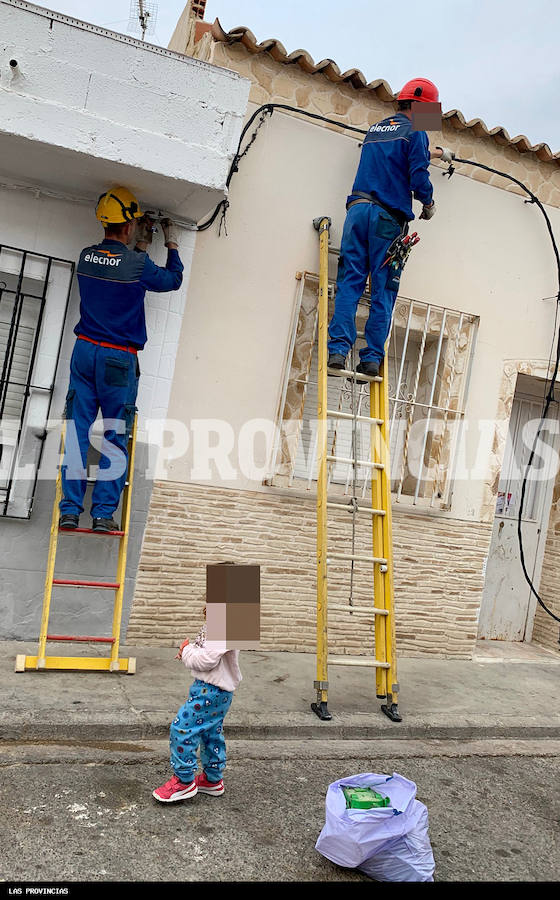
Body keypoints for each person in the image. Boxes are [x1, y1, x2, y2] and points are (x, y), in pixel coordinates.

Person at [58, 186, 184, 532]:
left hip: (84, 351)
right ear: (129, 225)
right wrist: (171, 243)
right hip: (118, 359)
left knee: (78, 430)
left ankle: (69, 510)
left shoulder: (86, 257)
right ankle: (101, 515)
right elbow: (171, 280)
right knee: (114, 434)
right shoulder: (138, 265)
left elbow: (118, 271)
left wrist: (139, 247)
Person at [327, 77, 455, 379]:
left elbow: (401, 151)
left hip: (357, 213)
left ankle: (337, 352)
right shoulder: (417, 132)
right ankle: (371, 359)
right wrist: (429, 203)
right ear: (421, 107)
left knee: (350, 283)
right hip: (386, 220)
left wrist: (437, 152)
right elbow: (417, 174)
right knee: (383, 289)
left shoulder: (376, 131)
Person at [153, 604, 242, 803]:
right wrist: (190, 649)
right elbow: (205, 651)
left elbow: (206, 660)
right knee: (210, 732)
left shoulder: (229, 622)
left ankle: (184, 781)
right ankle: (212, 779)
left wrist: (186, 652)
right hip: (210, 687)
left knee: (182, 729)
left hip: (212, 690)